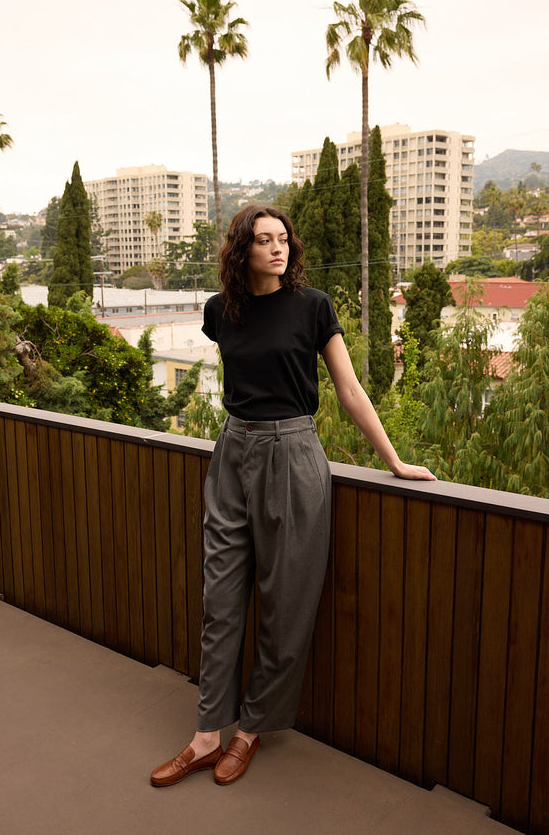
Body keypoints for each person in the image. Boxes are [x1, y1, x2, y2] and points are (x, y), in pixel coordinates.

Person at [150, 204, 435, 788]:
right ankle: (207, 734)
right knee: (220, 597)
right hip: (231, 454)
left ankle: (250, 730)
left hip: (294, 454)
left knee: (286, 603)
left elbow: (349, 389)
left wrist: (396, 461)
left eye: (283, 239)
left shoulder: (313, 306)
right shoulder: (219, 311)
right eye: (263, 240)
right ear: (242, 250)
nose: (277, 248)